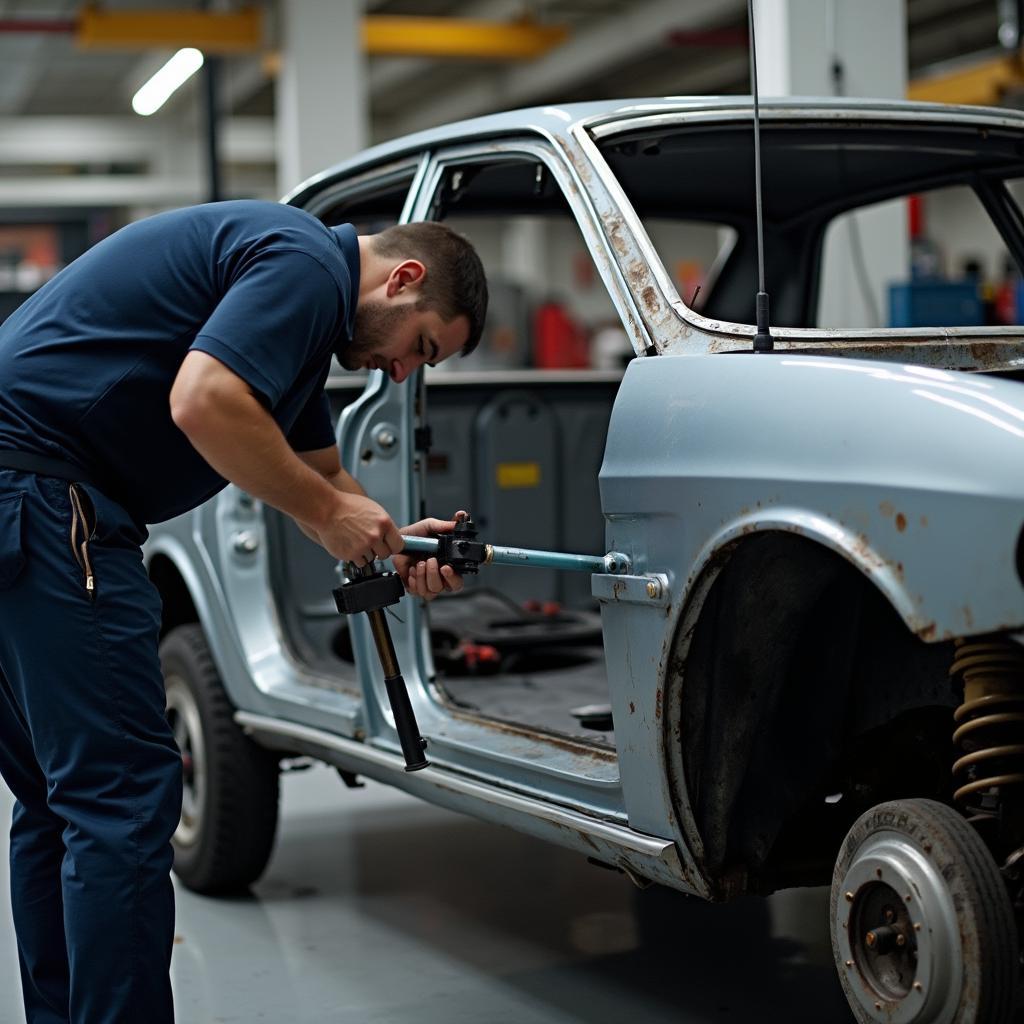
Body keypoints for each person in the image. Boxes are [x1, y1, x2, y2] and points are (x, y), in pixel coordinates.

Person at [0, 199, 488, 1023]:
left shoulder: (291, 310)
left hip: (24, 500)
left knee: (62, 798)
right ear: (403, 281)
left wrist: (399, 546)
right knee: (119, 798)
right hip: (49, 504)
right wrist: (333, 517)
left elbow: (324, 483)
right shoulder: (299, 265)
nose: (400, 374)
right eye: (422, 349)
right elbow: (204, 400)